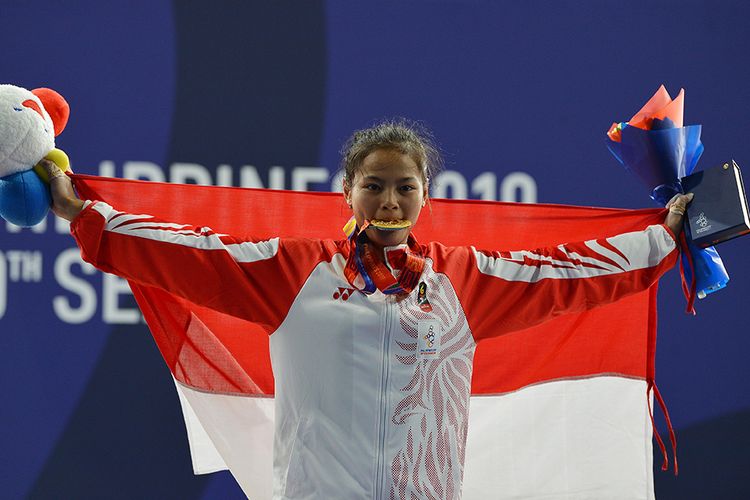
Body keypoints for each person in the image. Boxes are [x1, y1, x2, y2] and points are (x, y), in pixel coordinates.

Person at [42, 120, 693, 499]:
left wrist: (664, 237)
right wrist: (84, 212)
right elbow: (195, 253)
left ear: (425, 195)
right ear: (347, 192)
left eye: (403, 187)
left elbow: (567, 274)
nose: (388, 201)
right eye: (373, 186)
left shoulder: (461, 283)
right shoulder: (293, 272)